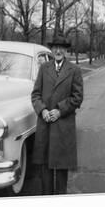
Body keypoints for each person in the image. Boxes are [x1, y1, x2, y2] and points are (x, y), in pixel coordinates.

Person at [31, 35, 83, 194]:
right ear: (52, 50)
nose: (58, 51)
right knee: (45, 171)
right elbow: (35, 95)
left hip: (63, 127)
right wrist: (43, 110)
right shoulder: (44, 68)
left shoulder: (74, 70)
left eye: (62, 48)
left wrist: (60, 110)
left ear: (66, 50)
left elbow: (78, 97)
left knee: (61, 172)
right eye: (55, 48)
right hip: (45, 125)